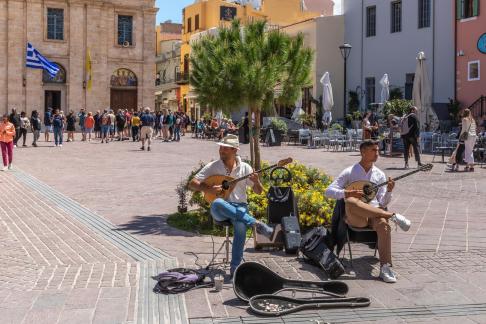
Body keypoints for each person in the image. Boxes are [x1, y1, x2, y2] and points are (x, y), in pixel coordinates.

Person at [325, 140, 411, 283]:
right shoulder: (349, 172)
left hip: (375, 213)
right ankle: (392, 216)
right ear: (363, 152)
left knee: (384, 226)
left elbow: (383, 202)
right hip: (357, 217)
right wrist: (347, 193)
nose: (377, 153)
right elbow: (328, 191)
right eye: (373, 150)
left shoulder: (379, 175)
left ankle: (385, 267)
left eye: (377, 150)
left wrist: (389, 191)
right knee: (352, 202)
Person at [188, 134, 274, 277]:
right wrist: (209, 189)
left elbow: (258, 191)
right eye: (221, 147)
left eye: (225, 148)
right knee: (217, 202)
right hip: (220, 209)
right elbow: (192, 183)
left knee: (240, 225)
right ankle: (255, 223)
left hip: (240, 207)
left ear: (235, 150)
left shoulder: (245, 167)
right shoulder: (213, 166)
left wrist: (257, 181)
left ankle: (235, 268)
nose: (221, 150)